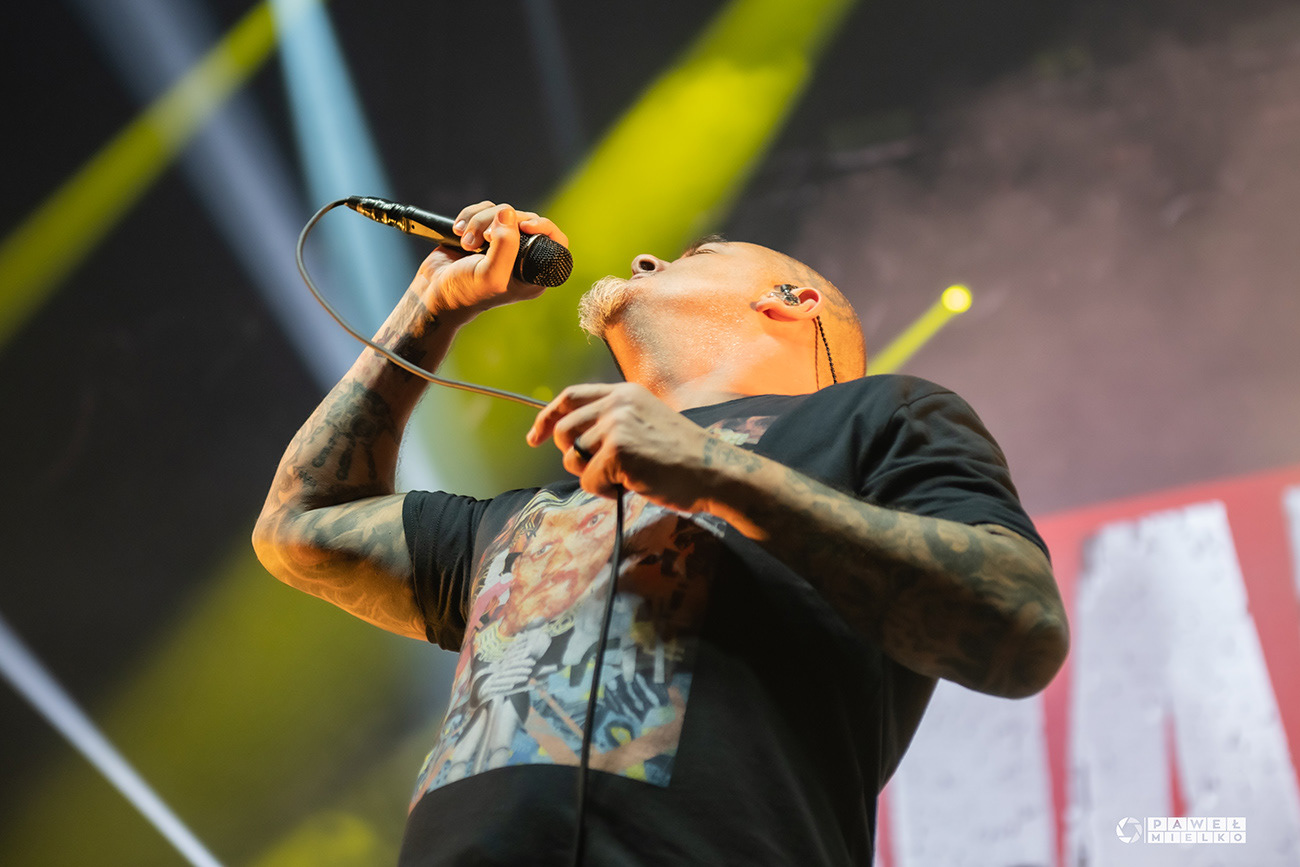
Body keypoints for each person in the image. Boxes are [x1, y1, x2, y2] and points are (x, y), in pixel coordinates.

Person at [253, 201, 1069, 865]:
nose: (647, 258)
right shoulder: (526, 517)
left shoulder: (881, 418)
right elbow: (300, 525)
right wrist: (429, 308)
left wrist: (714, 471)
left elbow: (1021, 621)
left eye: (697, 254)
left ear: (793, 301)